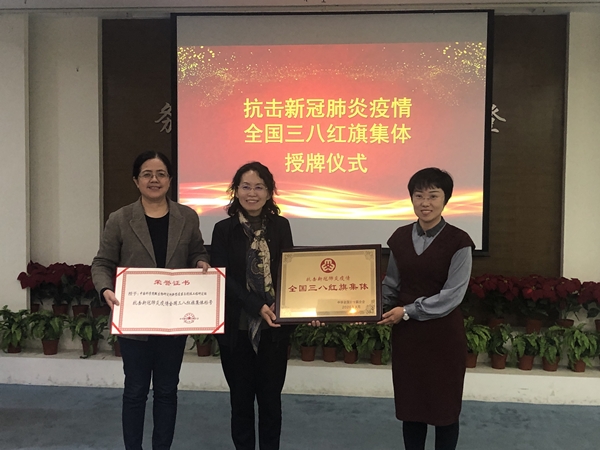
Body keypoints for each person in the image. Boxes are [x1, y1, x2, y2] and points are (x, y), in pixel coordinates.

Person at [91, 151, 210, 450]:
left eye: (160, 174)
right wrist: (105, 289)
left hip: (174, 321)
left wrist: (200, 263)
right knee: (135, 391)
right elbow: (102, 262)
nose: (154, 180)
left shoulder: (187, 217)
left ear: (170, 179)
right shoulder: (120, 219)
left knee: (167, 391)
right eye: (147, 174)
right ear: (136, 180)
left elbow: (197, 252)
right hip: (135, 320)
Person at [378, 167, 474, 450]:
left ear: (446, 199)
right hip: (408, 337)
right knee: (411, 407)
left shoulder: (460, 241)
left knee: (445, 409)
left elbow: (452, 296)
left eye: (433, 196)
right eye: (419, 195)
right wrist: (371, 309)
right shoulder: (399, 237)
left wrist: (408, 310)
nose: (425, 203)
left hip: (443, 336)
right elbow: (391, 284)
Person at [210, 161, 294, 450]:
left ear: (269, 192)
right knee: (241, 402)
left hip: (274, 329)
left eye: (259, 187)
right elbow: (223, 277)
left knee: (271, 403)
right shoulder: (223, 230)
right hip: (237, 330)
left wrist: (287, 304)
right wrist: (256, 305)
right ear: (236, 191)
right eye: (245, 187)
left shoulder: (281, 226)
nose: (252, 193)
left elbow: (288, 270)